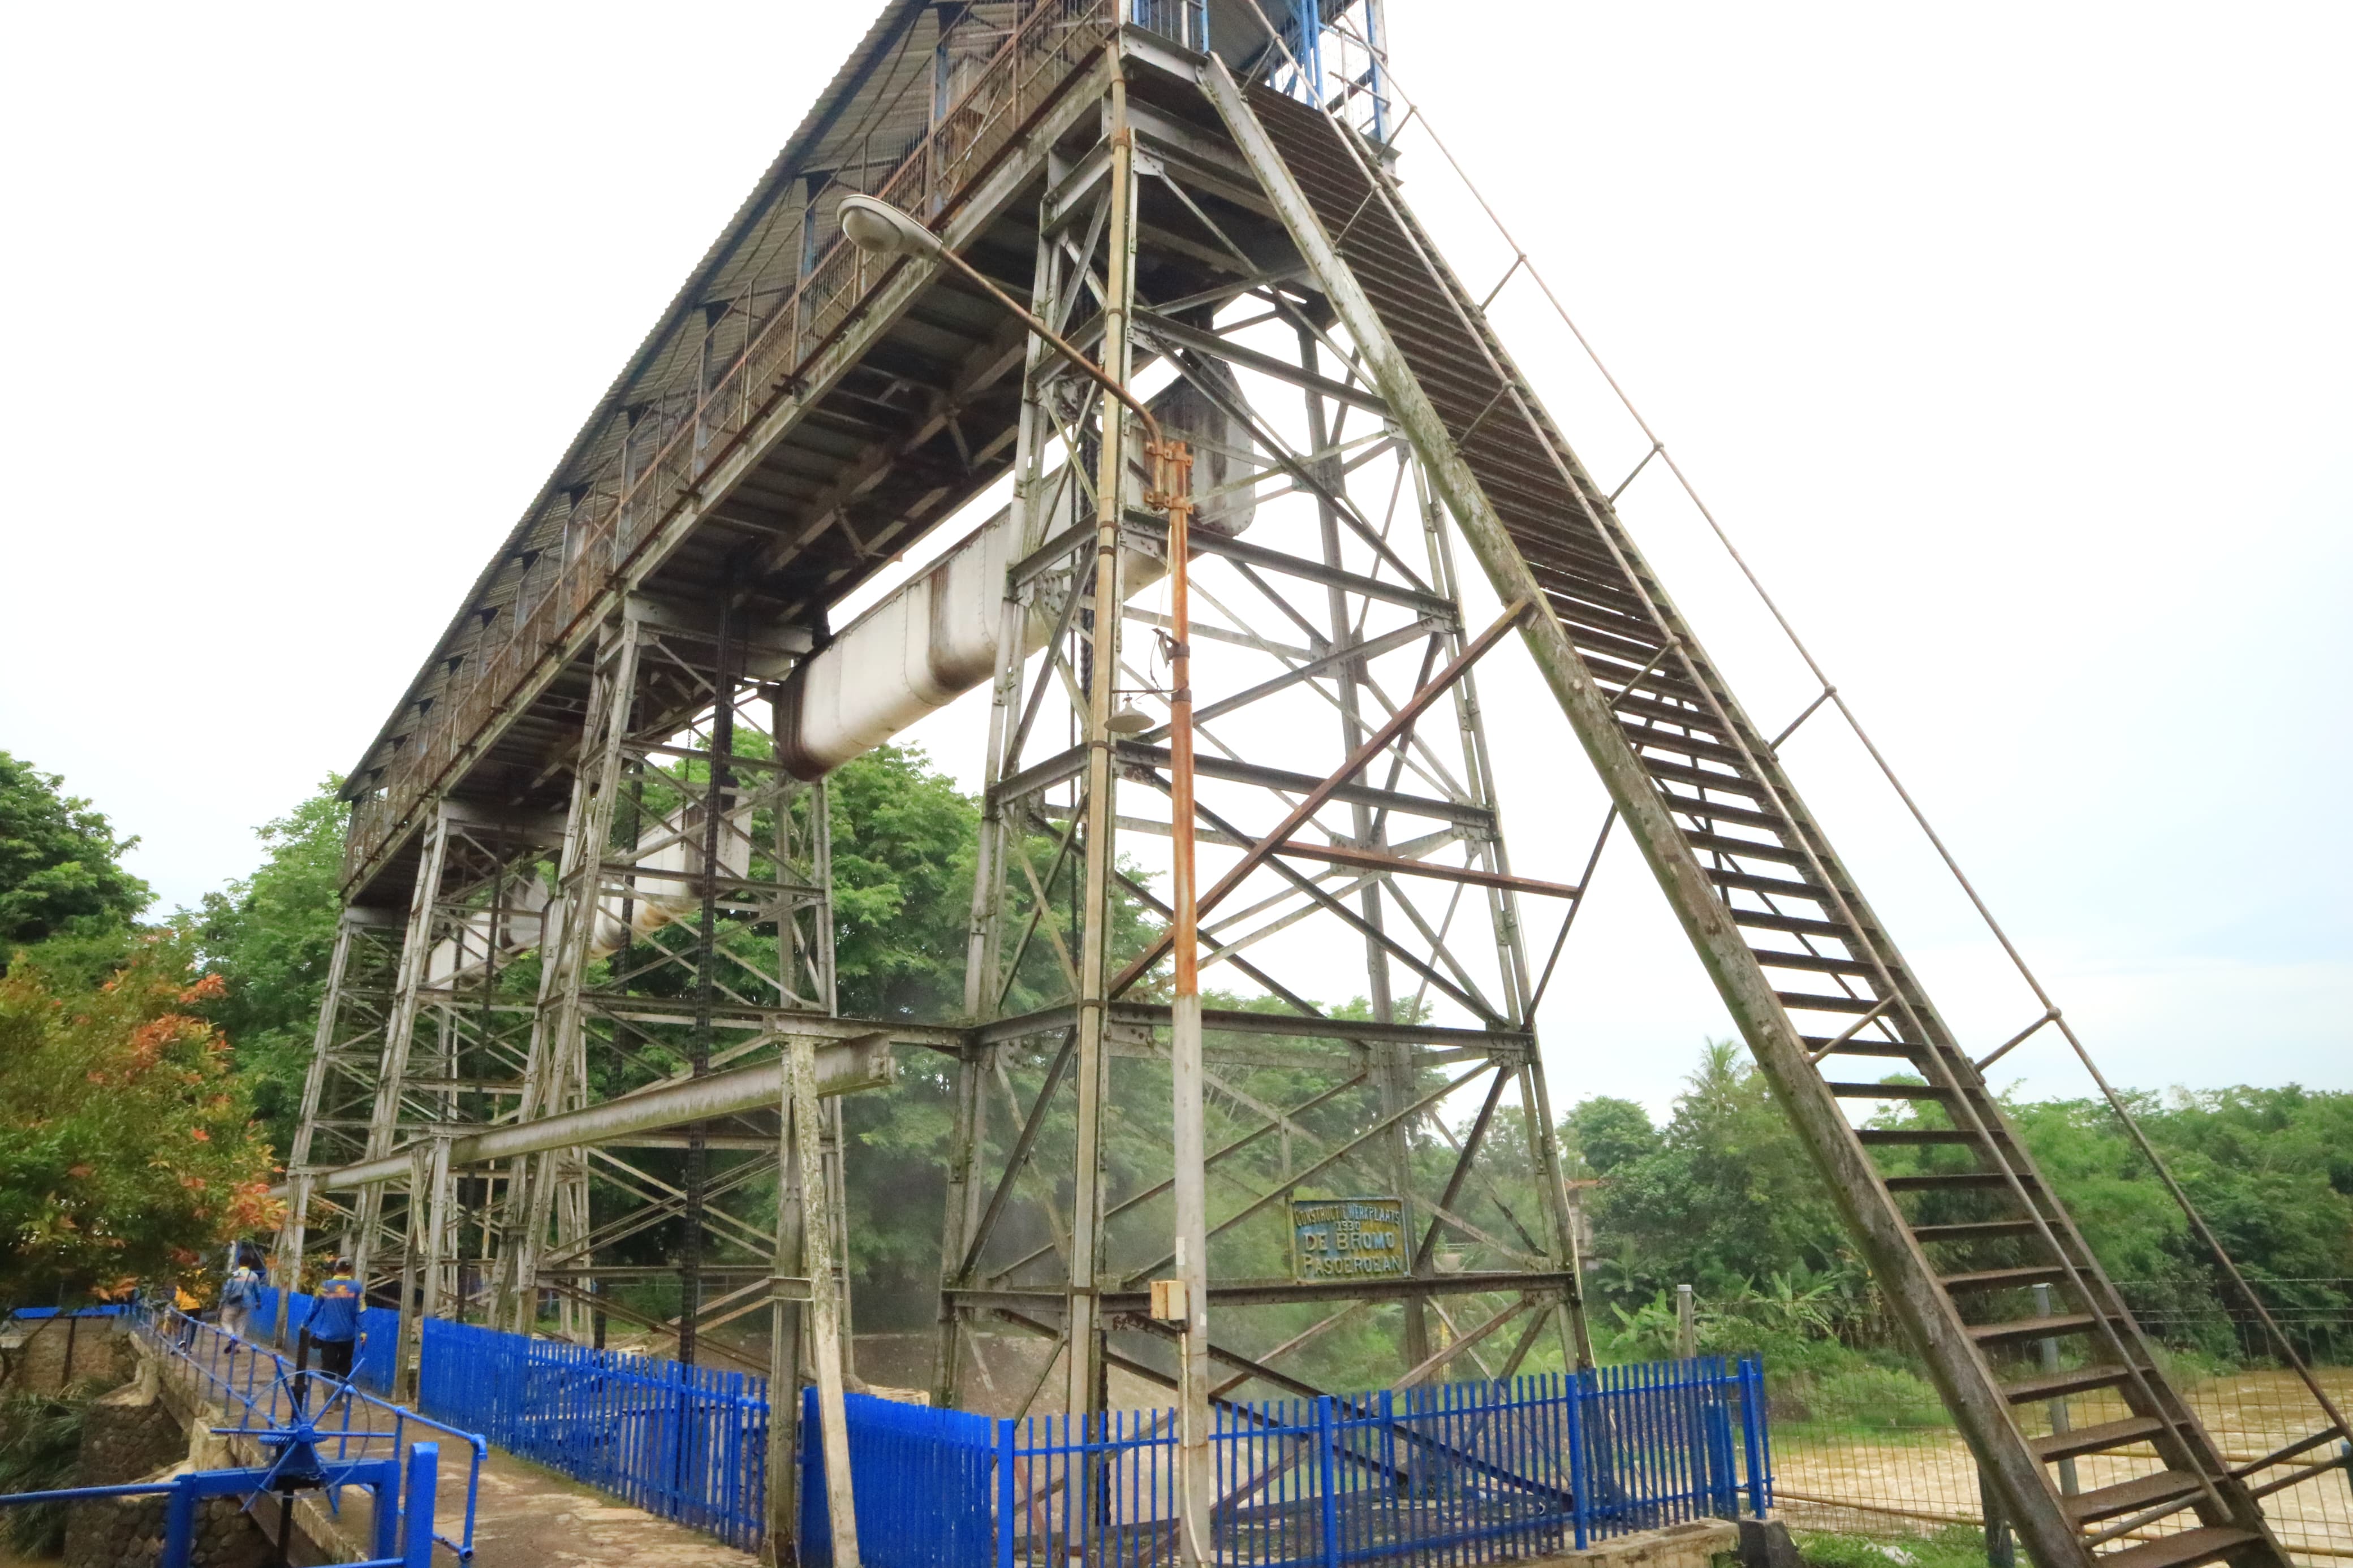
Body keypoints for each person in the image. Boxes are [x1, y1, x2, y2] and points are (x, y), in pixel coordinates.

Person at [299, 1257, 362, 1407]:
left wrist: (305, 1323)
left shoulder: (325, 1286)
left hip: (328, 1336)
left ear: (335, 1269)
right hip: (348, 1335)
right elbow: (360, 1310)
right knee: (344, 1368)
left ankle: (328, 1403)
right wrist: (363, 1330)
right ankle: (339, 1401)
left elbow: (314, 1307)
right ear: (351, 1270)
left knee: (328, 1368)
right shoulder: (356, 1287)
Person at [219, 1246, 263, 1347]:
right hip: (247, 1303)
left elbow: (227, 1290)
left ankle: (232, 1337)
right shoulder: (254, 1276)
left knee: (226, 1322)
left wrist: (222, 1303)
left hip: (232, 1303)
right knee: (241, 1325)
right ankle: (237, 1347)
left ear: (239, 1263)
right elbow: (258, 1291)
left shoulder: (233, 1275)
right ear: (250, 1264)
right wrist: (258, 1301)